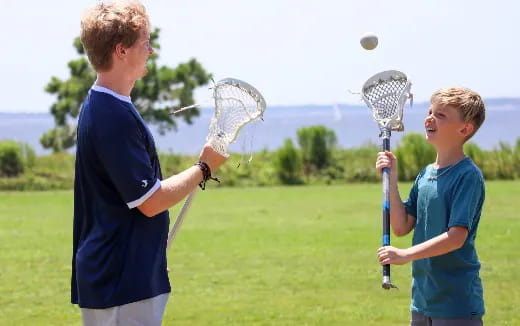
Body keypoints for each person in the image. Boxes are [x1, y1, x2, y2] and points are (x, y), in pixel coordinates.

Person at [71, 1, 227, 325]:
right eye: (145, 42)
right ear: (121, 50)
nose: (151, 51)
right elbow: (151, 202)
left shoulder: (105, 106)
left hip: (124, 273)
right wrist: (204, 168)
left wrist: (150, 257)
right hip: (120, 279)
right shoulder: (112, 115)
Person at [376, 87, 486, 326]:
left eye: (441, 115)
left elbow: (456, 238)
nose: (429, 118)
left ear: (465, 129)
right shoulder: (426, 174)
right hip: (423, 301)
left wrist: (405, 255)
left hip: (456, 304)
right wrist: (391, 178)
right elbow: (401, 225)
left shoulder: (467, 176)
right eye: (430, 111)